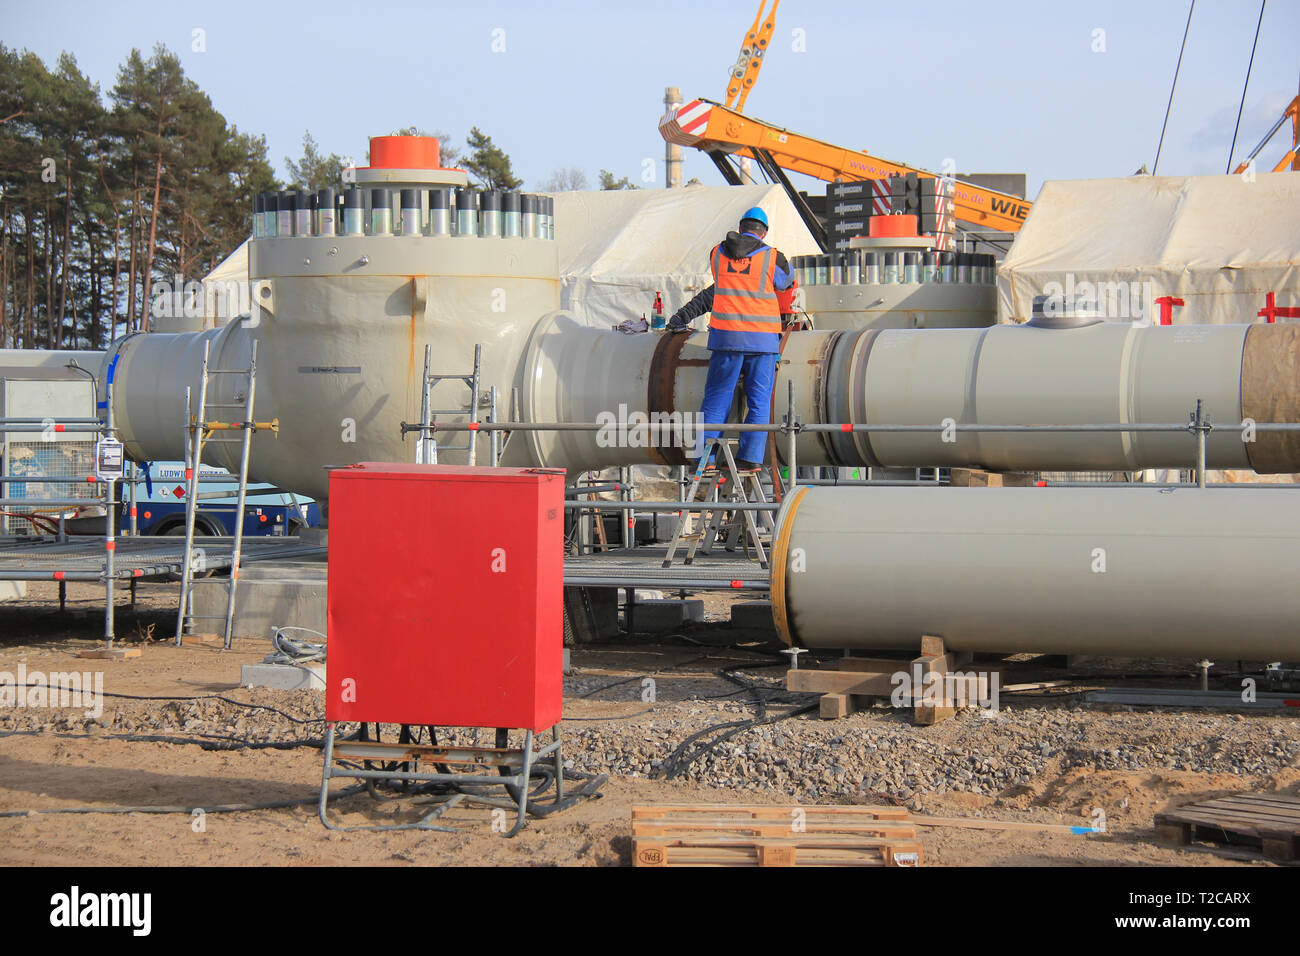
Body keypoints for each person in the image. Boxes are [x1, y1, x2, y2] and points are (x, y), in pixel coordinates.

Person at [666, 206, 796, 471]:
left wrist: (681, 317)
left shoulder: (718, 253)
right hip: (762, 342)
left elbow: (717, 290)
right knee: (758, 402)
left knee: (716, 398)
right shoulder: (773, 257)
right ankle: (749, 458)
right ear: (764, 232)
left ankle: (706, 458)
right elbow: (786, 282)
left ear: (740, 228)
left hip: (727, 340)